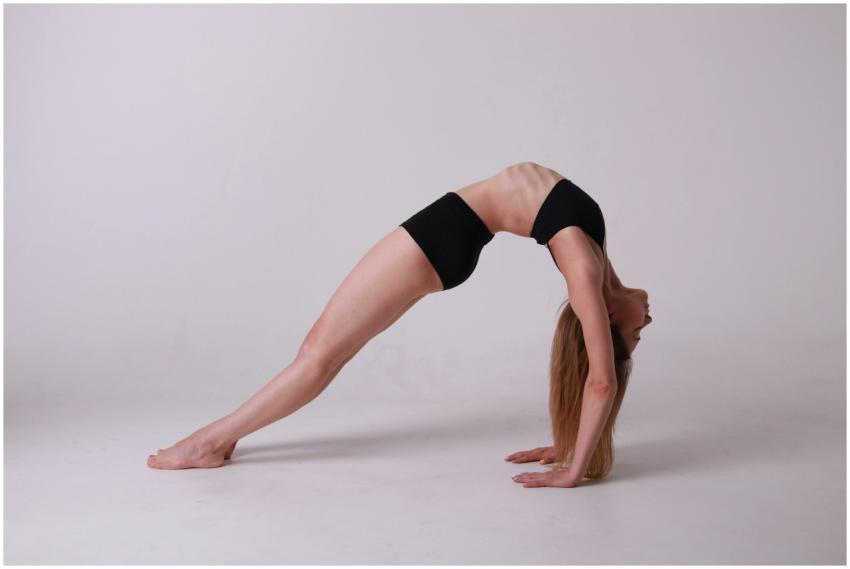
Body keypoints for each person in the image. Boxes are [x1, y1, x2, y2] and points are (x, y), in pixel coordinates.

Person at [147, 161, 652, 489]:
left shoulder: (585, 272)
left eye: (632, 334)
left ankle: (209, 442)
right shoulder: (598, 260)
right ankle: (224, 437)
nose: (645, 323)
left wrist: (574, 470)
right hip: (456, 232)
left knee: (318, 353)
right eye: (637, 336)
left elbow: (600, 381)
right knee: (322, 352)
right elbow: (599, 376)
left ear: (604, 318)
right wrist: (571, 447)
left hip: (447, 235)